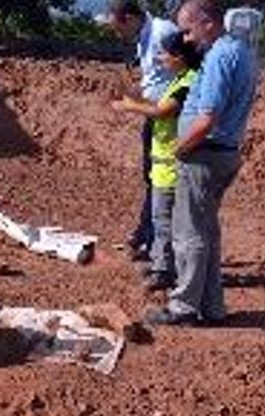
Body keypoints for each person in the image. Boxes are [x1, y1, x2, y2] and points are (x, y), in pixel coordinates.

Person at [145, 0, 259, 326]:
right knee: (207, 232)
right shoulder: (242, 52)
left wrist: (180, 149)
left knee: (189, 232)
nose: (187, 39)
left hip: (205, 154)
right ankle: (212, 307)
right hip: (222, 153)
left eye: (188, 29)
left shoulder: (222, 55)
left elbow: (207, 118)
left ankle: (183, 307)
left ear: (208, 22)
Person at [111, 30, 202, 291]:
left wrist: (129, 106)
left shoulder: (187, 82)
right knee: (163, 218)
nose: (160, 58)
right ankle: (162, 263)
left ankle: (164, 271)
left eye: (165, 53)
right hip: (166, 164)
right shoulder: (182, 79)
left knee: (164, 220)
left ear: (179, 57)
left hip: (172, 165)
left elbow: (162, 111)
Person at [107, 0, 179, 262]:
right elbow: (155, 77)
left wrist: (131, 104)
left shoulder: (163, 32)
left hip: (170, 117)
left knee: (161, 180)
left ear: (130, 18)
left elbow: (182, 69)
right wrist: (137, 92)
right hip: (155, 115)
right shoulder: (144, 36)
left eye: (118, 28)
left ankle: (151, 241)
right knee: (152, 176)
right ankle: (146, 236)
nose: (118, 34)